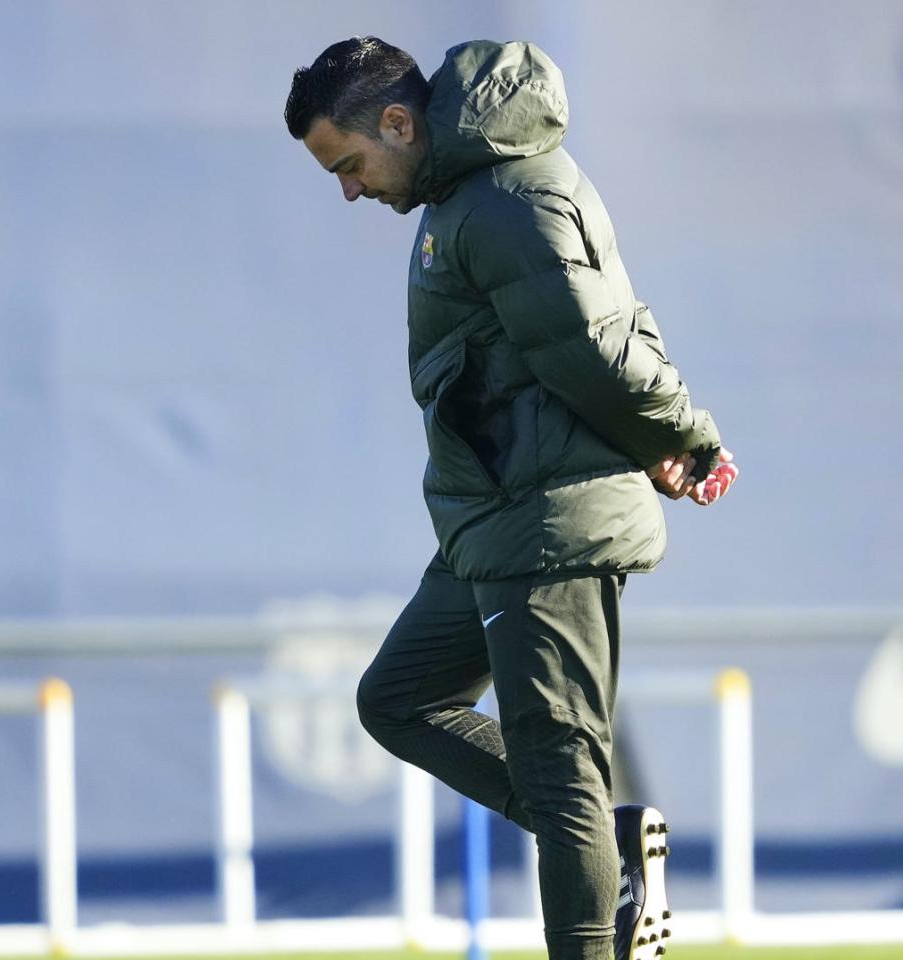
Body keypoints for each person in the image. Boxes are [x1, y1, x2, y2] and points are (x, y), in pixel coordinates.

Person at [284, 36, 737, 960]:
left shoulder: (502, 197)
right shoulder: (467, 196)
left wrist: (680, 434)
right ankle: (605, 849)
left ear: (400, 122)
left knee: (563, 776)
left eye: (349, 164)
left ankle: (593, 914)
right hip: (491, 522)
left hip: (546, 524)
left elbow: (595, 347)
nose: (349, 189)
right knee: (397, 699)